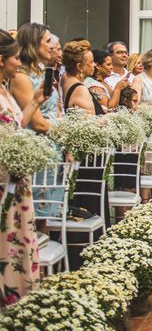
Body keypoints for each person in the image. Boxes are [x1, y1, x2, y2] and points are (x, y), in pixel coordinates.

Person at [0, 30, 45, 306]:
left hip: (17, 187)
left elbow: (18, 126)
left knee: (17, 248)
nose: (19, 64)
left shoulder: (5, 89)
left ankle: (17, 306)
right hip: (3, 188)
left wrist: (37, 101)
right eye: (15, 58)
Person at [11, 23, 60, 132]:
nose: (52, 46)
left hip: (54, 138)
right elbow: (37, 123)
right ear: (34, 45)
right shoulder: (21, 78)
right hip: (38, 141)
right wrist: (67, 135)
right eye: (48, 41)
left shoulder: (42, 72)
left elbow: (56, 109)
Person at [61, 40, 104, 115]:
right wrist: (109, 117)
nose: (94, 65)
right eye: (91, 62)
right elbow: (90, 123)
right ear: (79, 66)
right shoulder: (81, 90)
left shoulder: (65, 78)